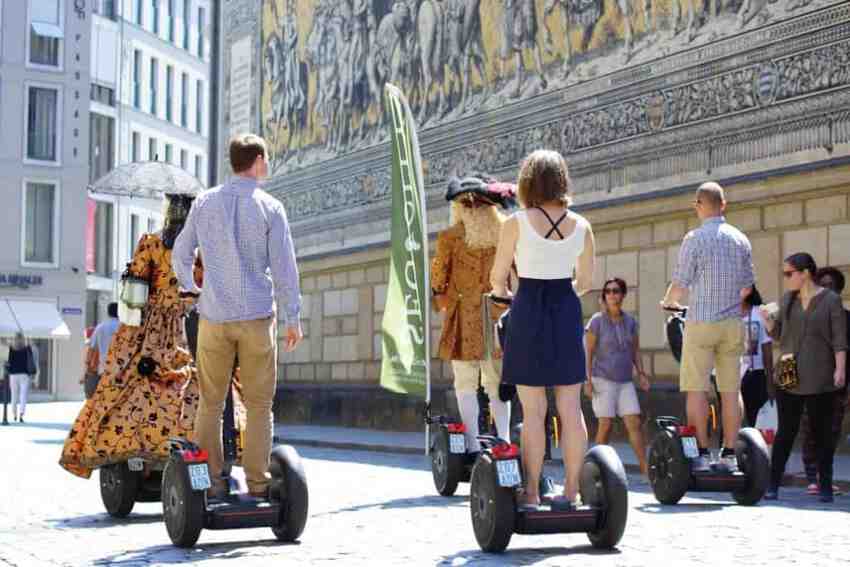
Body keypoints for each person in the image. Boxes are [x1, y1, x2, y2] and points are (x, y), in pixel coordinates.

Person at [173, 134, 302, 500]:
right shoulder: (271, 208)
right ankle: (259, 485)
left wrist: (193, 289)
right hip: (258, 319)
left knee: (211, 403)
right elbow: (284, 270)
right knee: (260, 405)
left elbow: (181, 253)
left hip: (214, 317)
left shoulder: (204, 202)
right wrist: (292, 318)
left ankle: (211, 482)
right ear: (258, 160)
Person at [59, 193, 201, 478]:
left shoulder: (150, 242)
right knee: (192, 385)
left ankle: (138, 452)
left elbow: (135, 294)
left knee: (129, 383)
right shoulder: (201, 248)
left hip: (150, 329)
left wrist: (130, 334)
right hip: (188, 327)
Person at [491, 149, 595, 509]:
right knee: (571, 407)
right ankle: (572, 491)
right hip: (565, 309)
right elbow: (586, 281)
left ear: (527, 182)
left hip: (528, 308)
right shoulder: (581, 225)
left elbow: (497, 277)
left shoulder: (515, 223)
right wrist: (564, 288)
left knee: (533, 410)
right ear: (562, 181)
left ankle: (532, 492)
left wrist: (504, 292)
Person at [661, 181, 754, 472]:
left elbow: (680, 282)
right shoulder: (741, 239)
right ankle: (729, 454)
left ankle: (700, 453)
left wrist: (667, 302)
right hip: (731, 324)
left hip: (701, 322)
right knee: (730, 390)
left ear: (698, 206)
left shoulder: (695, 238)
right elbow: (747, 287)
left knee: (697, 389)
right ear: (723, 205)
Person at [431, 174, 517, 452]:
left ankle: (472, 444)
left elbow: (438, 283)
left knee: (469, 383)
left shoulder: (449, 238)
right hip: (496, 317)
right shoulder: (506, 232)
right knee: (495, 384)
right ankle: (500, 440)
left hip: (470, 319)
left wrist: (440, 298)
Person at [760, 256, 848, 502]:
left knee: (822, 434)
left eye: (789, 273)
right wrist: (768, 322)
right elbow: (781, 336)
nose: (786, 278)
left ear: (806, 273)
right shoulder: (787, 300)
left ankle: (826, 486)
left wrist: (839, 369)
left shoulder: (831, 300)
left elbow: (840, 339)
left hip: (821, 371)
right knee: (786, 432)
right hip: (789, 370)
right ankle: (773, 484)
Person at [585, 278, 650, 475]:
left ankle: (645, 468)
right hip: (602, 379)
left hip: (625, 382)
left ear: (622, 295)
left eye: (616, 291)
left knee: (634, 423)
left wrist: (641, 373)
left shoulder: (631, 322)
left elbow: (635, 351)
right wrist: (586, 380)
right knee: (605, 425)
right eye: (608, 292)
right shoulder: (596, 321)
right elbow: (588, 352)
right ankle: (594, 469)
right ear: (604, 296)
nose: (612, 295)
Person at [799, 267, 849, 496]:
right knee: (810, 429)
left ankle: (823, 476)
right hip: (810, 382)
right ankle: (813, 477)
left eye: (831, 286)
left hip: (838, 385)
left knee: (832, 431)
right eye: (823, 286)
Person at [740, 286, 773, 427]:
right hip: (730, 373)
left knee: (756, 419)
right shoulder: (725, 314)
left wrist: (770, 381)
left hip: (755, 374)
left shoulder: (760, 313)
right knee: (731, 417)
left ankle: (757, 447)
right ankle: (729, 447)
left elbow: (767, 348)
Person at [81, 303, 120, 399]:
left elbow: (92, 348)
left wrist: (87, 367)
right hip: (122, 369)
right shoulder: (124, 327)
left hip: (104, 368)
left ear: (108, 313)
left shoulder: (101, 327)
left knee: (104, 398)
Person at [7, 333, 37, 423]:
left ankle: (14, 414)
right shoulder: (27, 349)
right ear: (23, 339)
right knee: (23, 395)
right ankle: (21, 414)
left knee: (14, 395)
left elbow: (9, 361)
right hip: (24, 375)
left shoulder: (11, 349)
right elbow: (32, 360)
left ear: (14, 339)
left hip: (13, 375)